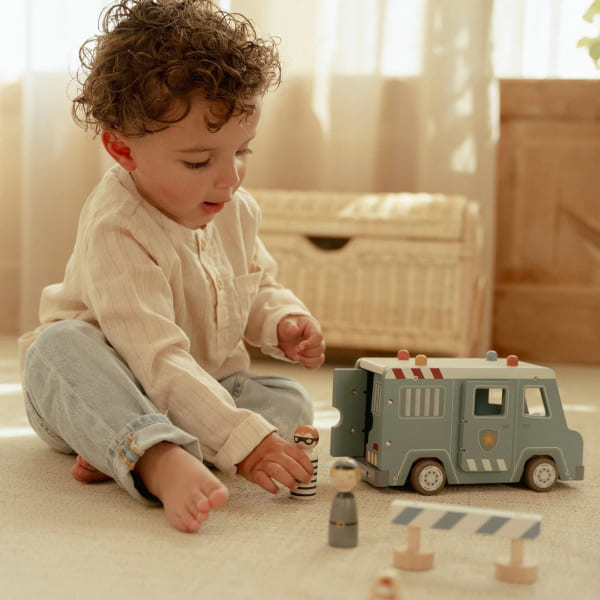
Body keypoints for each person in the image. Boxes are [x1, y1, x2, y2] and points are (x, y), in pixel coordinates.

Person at [19, 0, 325, 534]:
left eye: (242, 152)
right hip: (106, 382)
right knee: (56, 348)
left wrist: (282, 320)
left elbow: (254, 283)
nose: (229, 179)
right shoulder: (118, 226)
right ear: (123, 150)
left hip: (205, 381)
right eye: (199, 161)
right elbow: (155, 359)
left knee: (292, 403)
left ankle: (124, 445)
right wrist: (244, 445)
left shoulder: (234, 208)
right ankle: (157, 458)